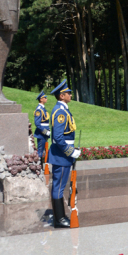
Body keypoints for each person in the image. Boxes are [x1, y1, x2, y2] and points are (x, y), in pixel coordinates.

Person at [48, 80, 81, 229]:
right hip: (61, 156)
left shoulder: (62, 109)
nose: (70, 94)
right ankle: (59, 219)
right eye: (68, 93)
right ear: (62, 96)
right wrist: (71, 151)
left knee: (59, 186)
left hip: (63, 155)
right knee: (58, 187)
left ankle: (60, 216)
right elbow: (58, 137)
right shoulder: (60, 112)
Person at [33, 90, 50, 168]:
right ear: (41, 99)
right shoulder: (39, 109)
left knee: (44, 150)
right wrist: (45, 131)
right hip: (41, 134)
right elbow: (37, 123)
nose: (46, 98)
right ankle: (38, 167)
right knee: (40, 152)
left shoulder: (43, 108)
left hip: (44, 134)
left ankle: (41, 167)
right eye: (44, 97)